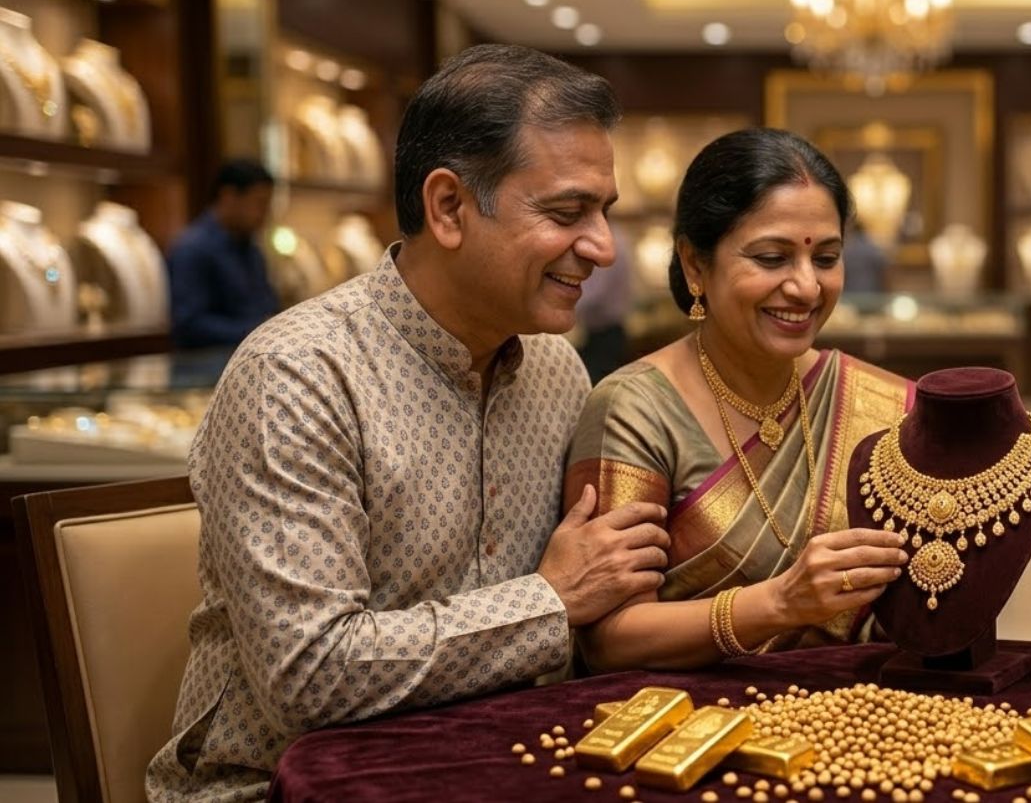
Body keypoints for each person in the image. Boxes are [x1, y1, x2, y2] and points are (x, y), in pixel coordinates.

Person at [147, 45, 670, 801]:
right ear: (449, 207)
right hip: (274, 787)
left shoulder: (558, 371)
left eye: (604, 213)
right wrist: (549, 601)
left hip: (496, 767)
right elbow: (310, 676)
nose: (602, 247)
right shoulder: (298, 375)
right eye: (567, 212)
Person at [564, 128, 911, 672]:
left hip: (858, 722)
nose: (806, 287)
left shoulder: (875, 400)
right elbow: (609, 641)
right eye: (772, 258)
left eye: (825, 258)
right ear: (696, 264)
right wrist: (778, 604)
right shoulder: (634, 410)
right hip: (689, 730)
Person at [166, 159, 280, 349]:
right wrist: (257, 330)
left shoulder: (251, 249)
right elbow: (189, 324)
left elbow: (266, 304)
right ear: (229, 196)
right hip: (206, 367)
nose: (265, 213)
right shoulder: (193, 248)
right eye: (259, 203)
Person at [575, 222, 633, 384]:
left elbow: (594, 293)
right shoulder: (620, 237)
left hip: (605, 332)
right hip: (606, 330)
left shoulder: (608, 246)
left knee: (598, 385)